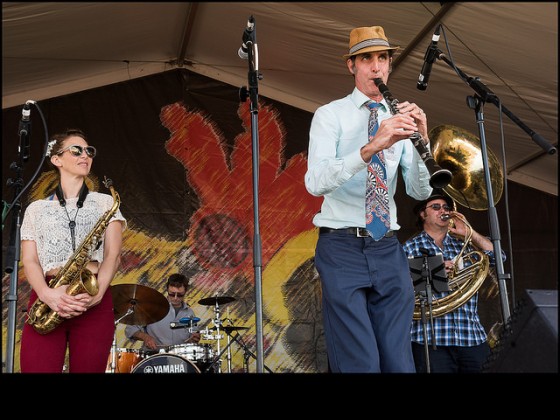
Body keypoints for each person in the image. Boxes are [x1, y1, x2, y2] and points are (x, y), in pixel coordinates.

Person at [304, 25, 433, 373]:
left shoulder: (399, 119)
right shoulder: (330, 115)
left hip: (386, 245)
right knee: (359, 361)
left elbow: (420, 192)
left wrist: (422, 140)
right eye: (366, 59)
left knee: (398, 361)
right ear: (351, 66)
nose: (376, 67)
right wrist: (373, 145)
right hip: (341, 246)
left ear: (390, 65)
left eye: (382, 58)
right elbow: (315, 182)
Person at [19, 129, 127, 373]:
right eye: (76, 150)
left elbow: (113, 255)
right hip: (49, 297)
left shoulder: (106, 202)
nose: (85, 155)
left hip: (92, 297)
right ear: (56, 159)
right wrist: (47, 294)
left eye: (89, 151)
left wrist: (97, 295)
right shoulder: (36, 209)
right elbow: (30, 260)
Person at [402, 190, 506, 373]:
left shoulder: (464, 244)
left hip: (471, 336)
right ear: (422, 213)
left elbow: (500, 258)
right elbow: (400, 289)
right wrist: (434, 272)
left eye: (446, 207)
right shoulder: (409, 247)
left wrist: (470, 233)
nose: (443, 210)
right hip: (431, 339)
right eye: (436, 207)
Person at [125, 273, 201, 353]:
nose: (175, 298)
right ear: (167, 290)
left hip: (179, 359)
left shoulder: (189, 313)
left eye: (179, 295)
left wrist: (195, 338)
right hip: (154, 357)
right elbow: (130, 329)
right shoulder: (152, 307)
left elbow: (193, 338)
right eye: (171, 294)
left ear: (185, 292)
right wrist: (146, 337)